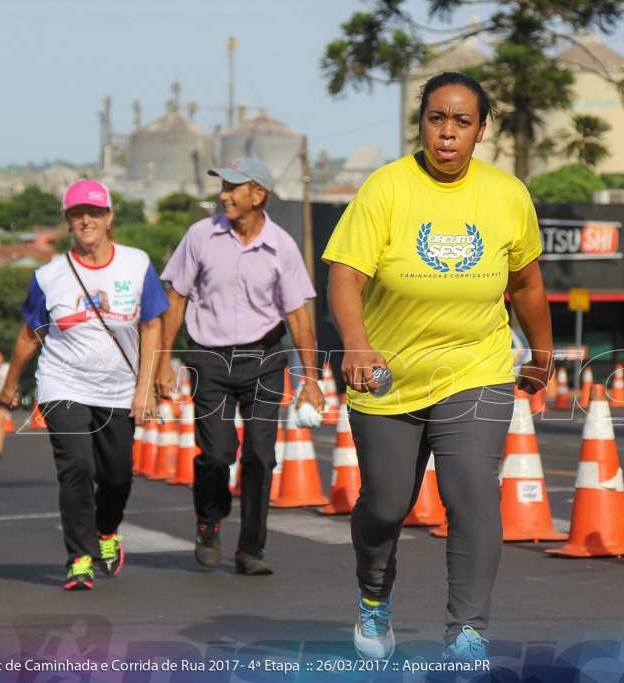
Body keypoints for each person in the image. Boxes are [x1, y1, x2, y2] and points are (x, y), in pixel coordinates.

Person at [322, 72, 554, 662]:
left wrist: (542, 353)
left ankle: (466, 630)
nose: (447, 133)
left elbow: (526, 282)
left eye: (462, 121)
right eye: (436, 119)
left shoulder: (507, 194)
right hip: (388, 373)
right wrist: (355, 342)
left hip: (475, 368)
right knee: (386, 504)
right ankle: (374, 596)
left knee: (472, 492)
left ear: (481, 130)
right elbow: (346, 274)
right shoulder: (386, 188)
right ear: (421, 122)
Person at [155, 157, 324, 576]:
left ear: (258, 195)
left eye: (232, 187)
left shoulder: (282, 245)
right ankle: (208, 519)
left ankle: (251, 549)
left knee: (260, 457)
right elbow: (174, 299)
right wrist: (162, 362)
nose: (223, 195)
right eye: (222, 187)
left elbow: (299, 315)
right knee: (216, 454)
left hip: (264, 360)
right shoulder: (200, 236)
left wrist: (311, 380)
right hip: (208, 358)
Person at [0, 179, 167, 591]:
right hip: (63, 383)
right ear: (68, 222)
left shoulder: (137, 264)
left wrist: (145, 389)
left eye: (94, 212)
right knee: (75, 466)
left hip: (119, 387)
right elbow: (29, 336)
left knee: (116, 476)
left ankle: (106, 530)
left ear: (109, 218)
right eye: (77, 214)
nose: (86, 220)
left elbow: (153, 325)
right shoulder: (48, 276)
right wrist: (9, 386)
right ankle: (79, 556)